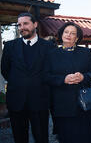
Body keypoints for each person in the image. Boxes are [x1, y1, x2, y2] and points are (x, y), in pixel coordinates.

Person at [1, 13, 53, 143]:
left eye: (25, 23)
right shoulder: (9, 46)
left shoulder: (49, 47)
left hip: (40, 101)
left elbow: (51, 72)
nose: (22, 27)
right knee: (19, 138)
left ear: (35, 24)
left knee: (42, 138)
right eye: (19, 24)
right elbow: (5, 70)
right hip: (16, 101)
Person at [44, 22, 91, 143]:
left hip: (85, 104)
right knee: (66, 137)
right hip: (62, 105)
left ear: (77, 38)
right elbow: (46, 76)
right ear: (61, 34)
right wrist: (63, 79)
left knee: (86, 137)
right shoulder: (51, 55)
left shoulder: (86, 53)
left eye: (73, 33)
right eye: (66, 32)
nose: (69, 35)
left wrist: (83, 77)